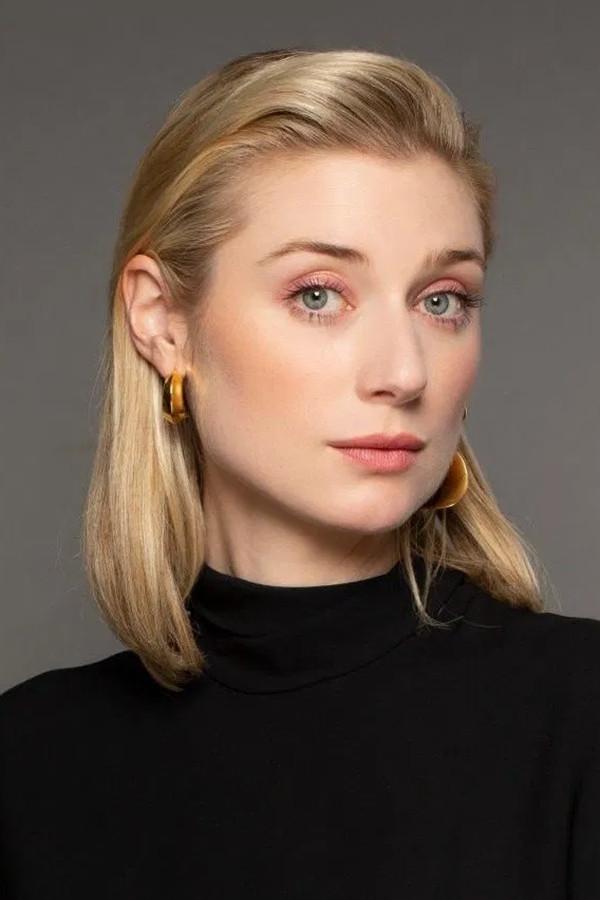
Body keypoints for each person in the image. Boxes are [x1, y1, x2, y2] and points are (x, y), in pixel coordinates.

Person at [1, 47, 598, 899]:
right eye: (318, 294)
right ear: (162, 320)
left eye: (442, 300)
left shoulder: (578, 718)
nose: (404, 373)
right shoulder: (28, 763)